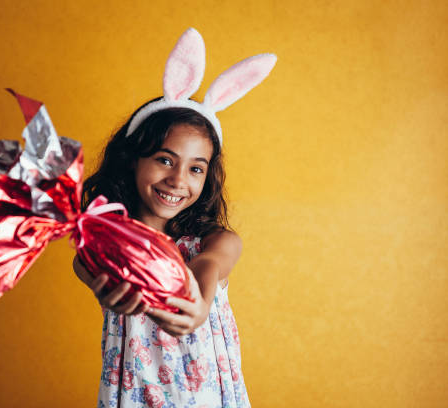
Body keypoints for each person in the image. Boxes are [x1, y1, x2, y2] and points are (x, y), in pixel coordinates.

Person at [73, 28, 276, 407]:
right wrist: (102, 283)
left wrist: (197, 304)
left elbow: (211, 263)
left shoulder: (213, 242)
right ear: (132, 159)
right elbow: (83, 263)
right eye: (165, 160)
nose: (178, 180)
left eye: (196, 168)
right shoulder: (109, 246)